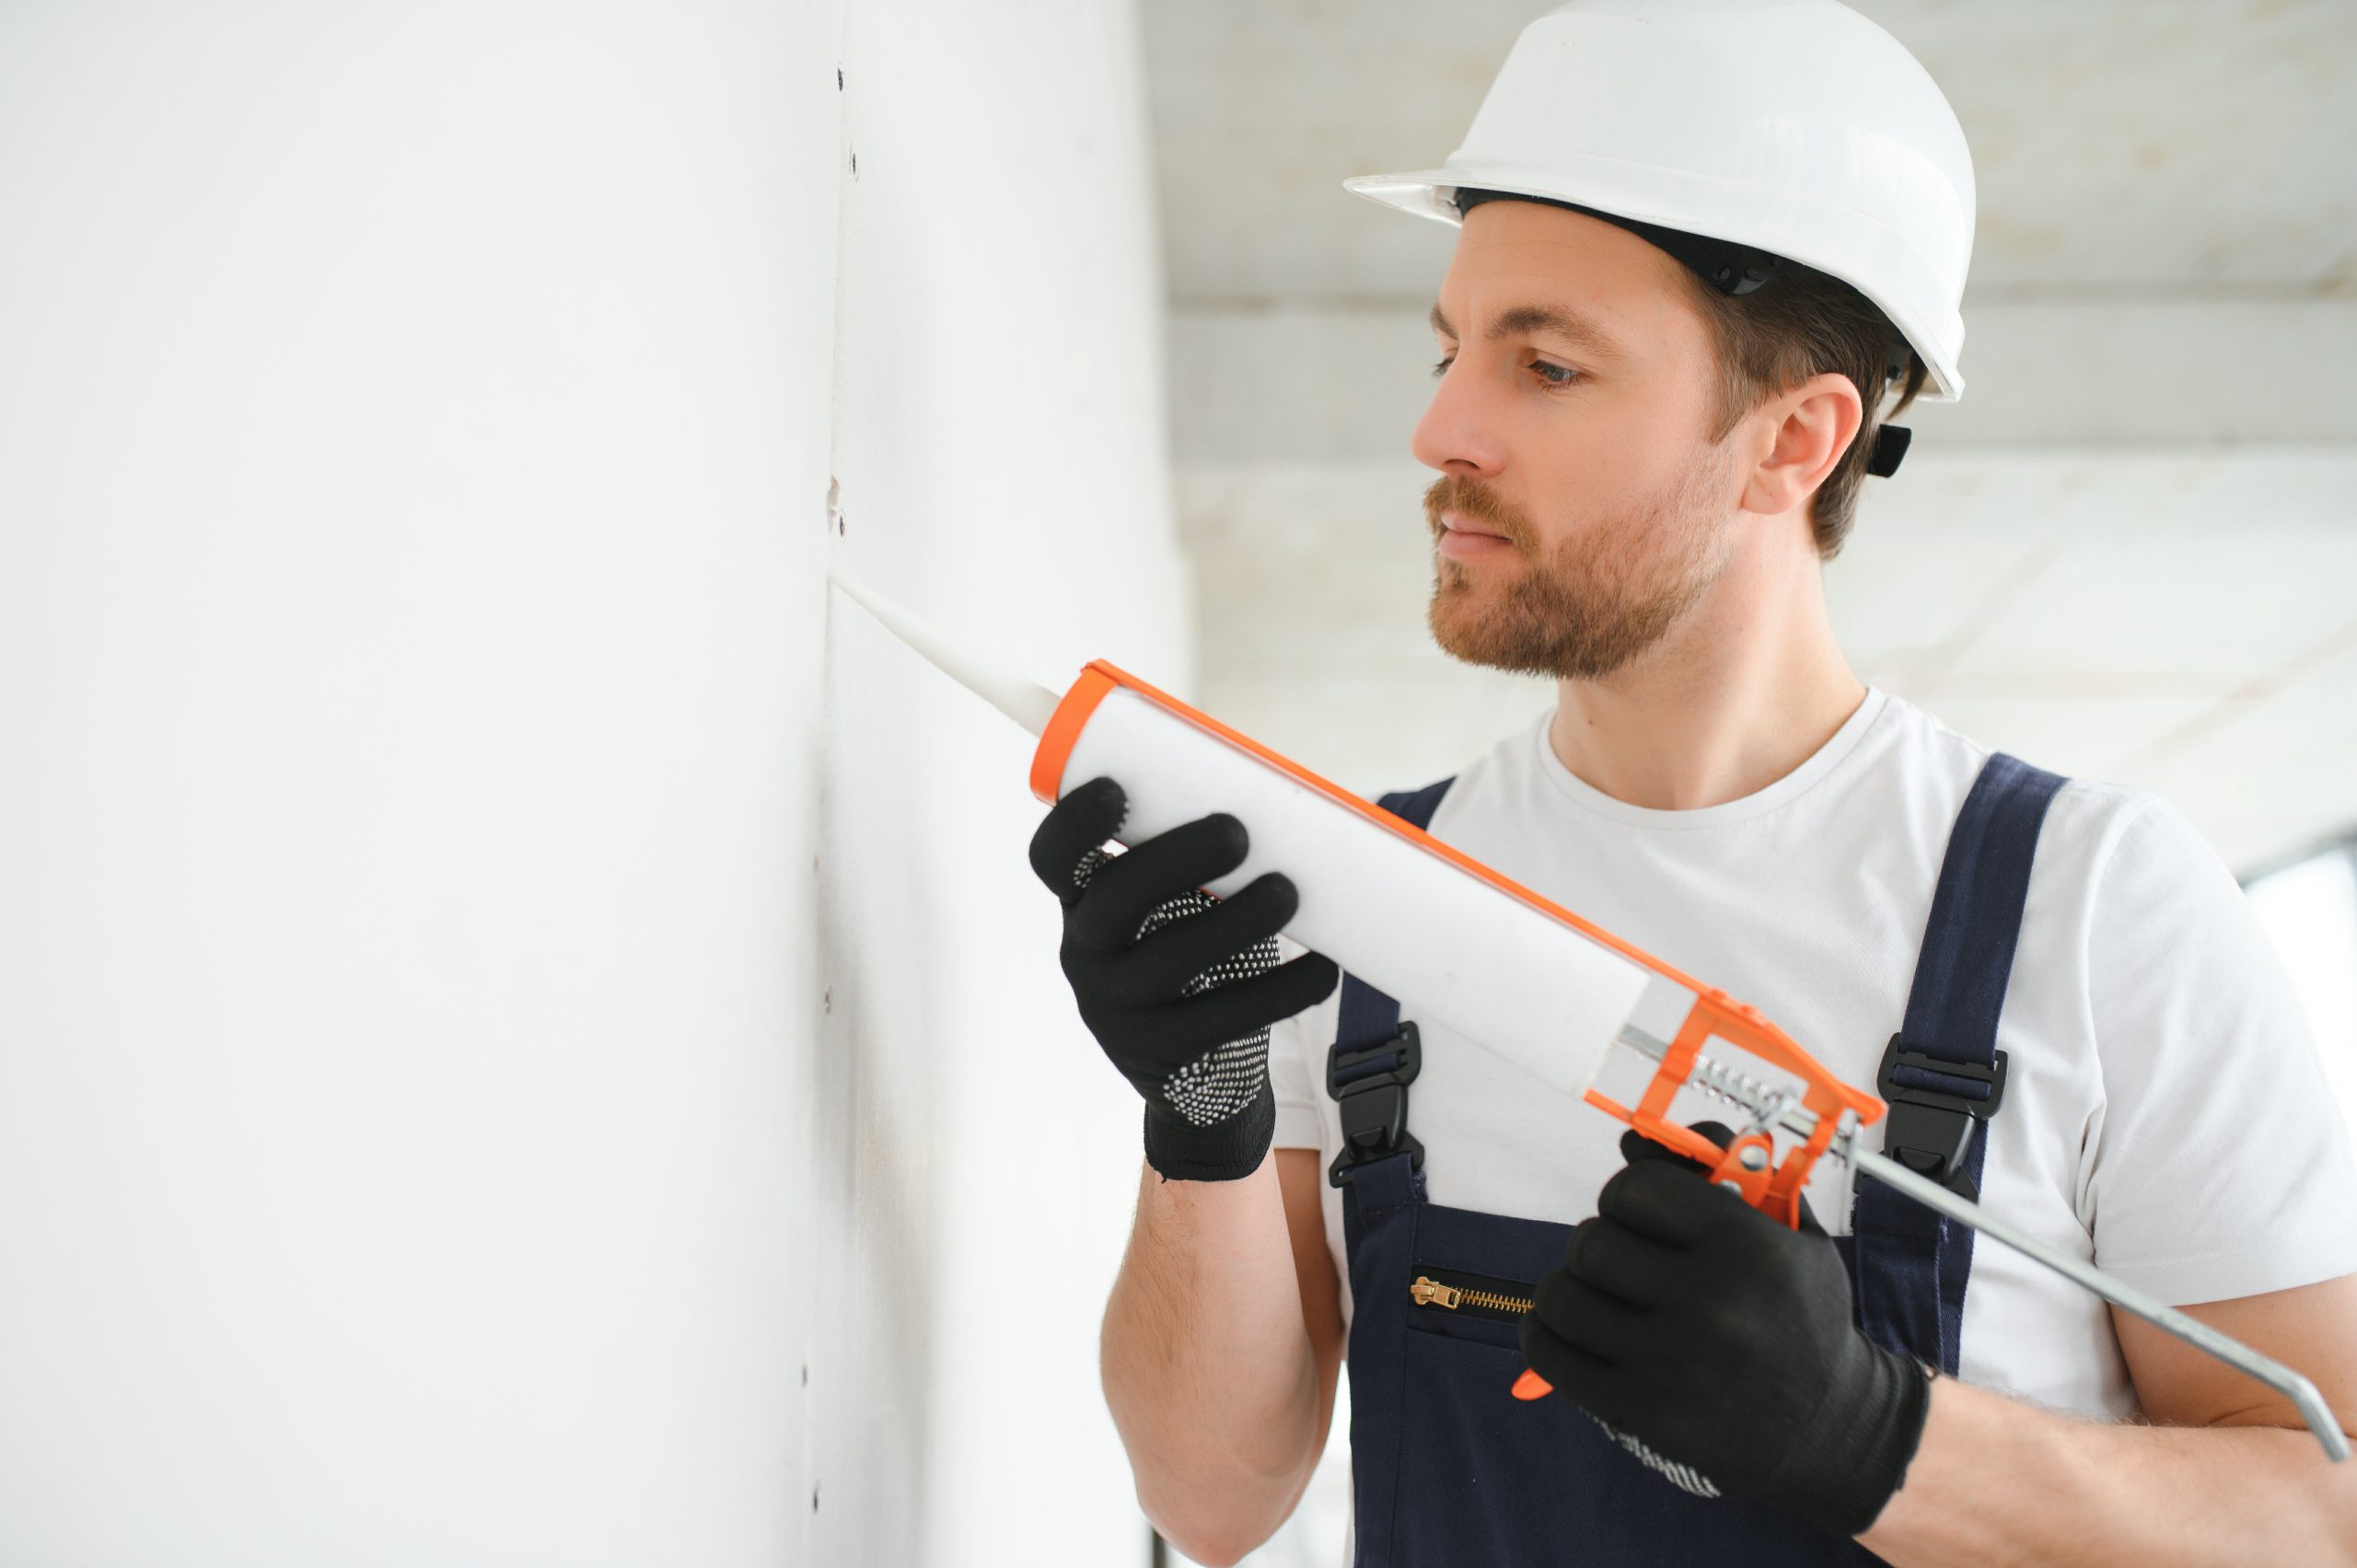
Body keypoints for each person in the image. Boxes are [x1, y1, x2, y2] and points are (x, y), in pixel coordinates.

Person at [1027, 2, 2357, 1562]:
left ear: (1795, 438)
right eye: (1454, 350)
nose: (1440, 428)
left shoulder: (2096, 908)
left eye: (1549, 367)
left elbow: (2320, 1511)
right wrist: (1207, 1129)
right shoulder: (1368, 900)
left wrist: (1874, 1439)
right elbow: (1211, 1499)